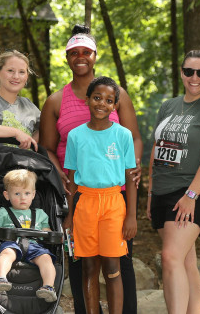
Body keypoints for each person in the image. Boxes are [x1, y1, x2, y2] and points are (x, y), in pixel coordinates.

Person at [39, 24, 141, 313]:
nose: (80, 57)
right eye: (74, 52)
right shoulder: (56, 101)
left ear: (95, 55)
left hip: (115, 192)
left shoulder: (117, 94)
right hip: (76, 191)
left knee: (119, 263)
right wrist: (57, 170)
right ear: (67, 57)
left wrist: (133, 169)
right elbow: (47, 145)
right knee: (82, 264)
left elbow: (134, 138)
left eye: (86, 52)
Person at [147, 50, 200, 313]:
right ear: (181, 72)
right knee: (185, 262)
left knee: (170, 258)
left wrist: (191, 196)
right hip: (161, 190)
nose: (195, 77)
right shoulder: (168, 106)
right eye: (189, 71)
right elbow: (156, 150)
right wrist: (149, 195)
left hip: (191, 191)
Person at [64, 76, 137, 314]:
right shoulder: (76, 136)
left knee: (113, 267)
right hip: (85, 204)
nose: (101, 104)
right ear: (87, 100)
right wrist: (69, 217)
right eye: (97, 98)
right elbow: (73, 181)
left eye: (109, 100)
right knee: (88, 267)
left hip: (114, 204)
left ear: (115, 105)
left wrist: (131, 217)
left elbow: (131, 178)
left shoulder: (123, 135)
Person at [0, 169, 57, 302]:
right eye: (17, 193)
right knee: (6, 254)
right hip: (11, 243)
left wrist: (53, 236)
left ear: (33, 194)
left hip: (35, 245)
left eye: (27, 193)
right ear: (7, 195)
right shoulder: (4, 212)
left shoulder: (41, 214)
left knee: (46, 259)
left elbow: (47, 233)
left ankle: (48, 287)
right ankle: (0, 279)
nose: (22, 197)